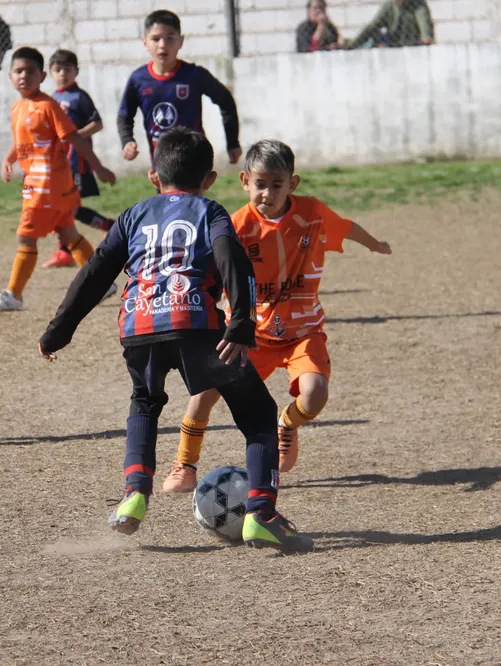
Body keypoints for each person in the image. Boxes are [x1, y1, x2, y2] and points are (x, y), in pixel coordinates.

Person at [39, 128, 315, 553]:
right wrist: (240, 323)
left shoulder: (133, 215)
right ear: (209, 178)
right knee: (259, 414)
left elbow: (95, 272)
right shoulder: (211, 212)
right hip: (194, 323)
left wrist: (59, 330)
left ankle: (134, 495)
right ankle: (261, 514)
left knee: (145, 402)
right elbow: (232, 260)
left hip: (138, 325)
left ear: (154, 176)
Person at [162, 139, 392, 493]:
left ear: (292, 184)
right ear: (244, 182)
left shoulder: (312, 213)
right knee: (203, 394)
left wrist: (375, 243)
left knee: (315, 395)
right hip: (247, 334)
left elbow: (345, 227)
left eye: (276, 185)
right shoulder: (233, 225)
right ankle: (184, 464)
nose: (267, 193)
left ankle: (287, 423)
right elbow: (206, 268)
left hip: (303, 332)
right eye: (259, 185)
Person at [0, 47, 117, 312]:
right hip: (54, 187)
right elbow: (22, 143)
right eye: (18, 71)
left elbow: (74, 137)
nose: (24, 76)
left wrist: (98, 167)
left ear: (42, 76)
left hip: (45, 186)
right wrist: (8, 160)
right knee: (68, 232)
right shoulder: (17, 108)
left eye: (30, 71)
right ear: (10, 76)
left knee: (26, 237)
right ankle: (102, 284)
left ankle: (14, 295)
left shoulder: (48, 106)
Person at [118, 10, 242, 167]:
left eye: (170, 38)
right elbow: (124, 116)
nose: (162, 45)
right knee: (168, 192)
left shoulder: (194, 75)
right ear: (145, 43)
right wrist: (127, 141)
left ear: (180, 41)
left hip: (195, 158)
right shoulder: (139, 79)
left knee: (193, 192)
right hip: (162, 162)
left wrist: (232, 142)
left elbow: (226, 102)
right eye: (155, 39)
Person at [43, 49, 116, 270]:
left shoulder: (79, 97)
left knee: (69, 208)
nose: (62, 73)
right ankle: (66, 250)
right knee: (62, 207)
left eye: (67, 69)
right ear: (51, 73)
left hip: (77, 162)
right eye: (58, 69)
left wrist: (74, 137)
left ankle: (112, 229)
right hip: (58, 165)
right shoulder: (53, 98)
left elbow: (97, 124)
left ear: (76, 71)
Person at [346, 0, 435, 49]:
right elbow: (372, 27)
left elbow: (424, 22)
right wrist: (351, 45)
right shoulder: (389, 6)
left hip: (413, 49)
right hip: (393, 51)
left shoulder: (418, 4)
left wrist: (426, 37)